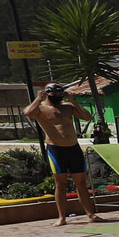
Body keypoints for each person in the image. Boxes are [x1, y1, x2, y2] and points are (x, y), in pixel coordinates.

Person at [22, 82, 102, 226]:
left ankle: (91, 214)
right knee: (60, 184)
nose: (58, 96)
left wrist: (73, 101)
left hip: (73, 148)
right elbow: (27, 112)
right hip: (56, 149)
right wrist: (38, 98)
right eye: (54, 94)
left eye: (60, 94)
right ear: (47, 94)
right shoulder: (40, 108)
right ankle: (61, 217)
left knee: (81, 183)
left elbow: (87, 117)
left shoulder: (68, 107)